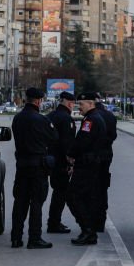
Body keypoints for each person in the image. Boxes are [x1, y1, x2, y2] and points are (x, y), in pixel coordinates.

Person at [10, 87, 58, 249]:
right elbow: (54, 138)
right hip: (38, 167)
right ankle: (34, 238)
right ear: (38, 101)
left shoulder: (17, 119)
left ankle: (16, 237)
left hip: (22, 166)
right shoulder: (42, 120)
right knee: (36, 203)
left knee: (20, 202)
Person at [66, 91, 108, 246]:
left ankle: (88, 230)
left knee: (73, 197)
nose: (79, 107)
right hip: (91, 164)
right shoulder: (95, 118)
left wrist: (70, 154)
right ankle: (89, 231)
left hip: (86, 165)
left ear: (91, 104)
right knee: (83, 198)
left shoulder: (91, 120)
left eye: (82, 104)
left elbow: (83, 141)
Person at [46, 91, 77, 233]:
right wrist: (70, 163)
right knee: (60, 193)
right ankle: (54, 223)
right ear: (69, 103)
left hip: (49, 159)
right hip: (61, 162)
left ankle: (54, 222)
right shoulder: (66, 119)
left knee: (57, 192)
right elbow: (67, 144)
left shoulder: (50, 116)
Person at [93, 95, 118, 232]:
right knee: (102, 187)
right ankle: (100, 220)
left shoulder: (92, 116)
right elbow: (113, 135)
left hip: (92, 156)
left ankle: (91, 220)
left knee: (91, 188)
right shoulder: (110, 116)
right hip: (106, 155)